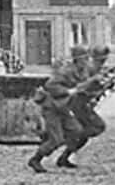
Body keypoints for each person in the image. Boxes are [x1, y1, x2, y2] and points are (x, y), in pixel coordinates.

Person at [27, 45, 89, 174]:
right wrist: (68, 91)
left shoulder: (82, 72)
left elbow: (85, 87)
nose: (86, 61)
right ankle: (35, 159)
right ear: (77, 59)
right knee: (57, 139)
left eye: (87, 58)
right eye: (84, 58)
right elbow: (50, 85)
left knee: (78, 131)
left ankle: (63, 158)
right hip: (52, 107)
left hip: (64, 108)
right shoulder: (65, 71)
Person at [59, 44, 111, 166]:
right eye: (101, 60)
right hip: (79, 103)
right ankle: (66, 137)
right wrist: (96, 83)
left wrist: (104, 85)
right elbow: (81, 89)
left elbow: (93, 90)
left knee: (84, 137)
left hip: (82, 103)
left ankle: (64, 157)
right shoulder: (87, 69)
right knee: (98, 126)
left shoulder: (92, 69)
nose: (102, 63)